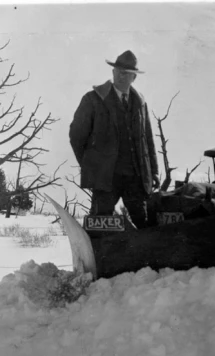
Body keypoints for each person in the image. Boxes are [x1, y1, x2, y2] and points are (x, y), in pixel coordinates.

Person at [69, 50, 159, 228]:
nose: (121, 76)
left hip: (135, 176)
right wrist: (91, 164)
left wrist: (154, 171)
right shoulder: (93, 99)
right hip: (106, 178)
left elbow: (147, 139)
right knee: (99, 224)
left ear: (134, 77)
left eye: (126, 73)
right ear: (113, 72)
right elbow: (76, 136)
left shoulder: (140, 103)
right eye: (118, 71)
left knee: (143, 224)